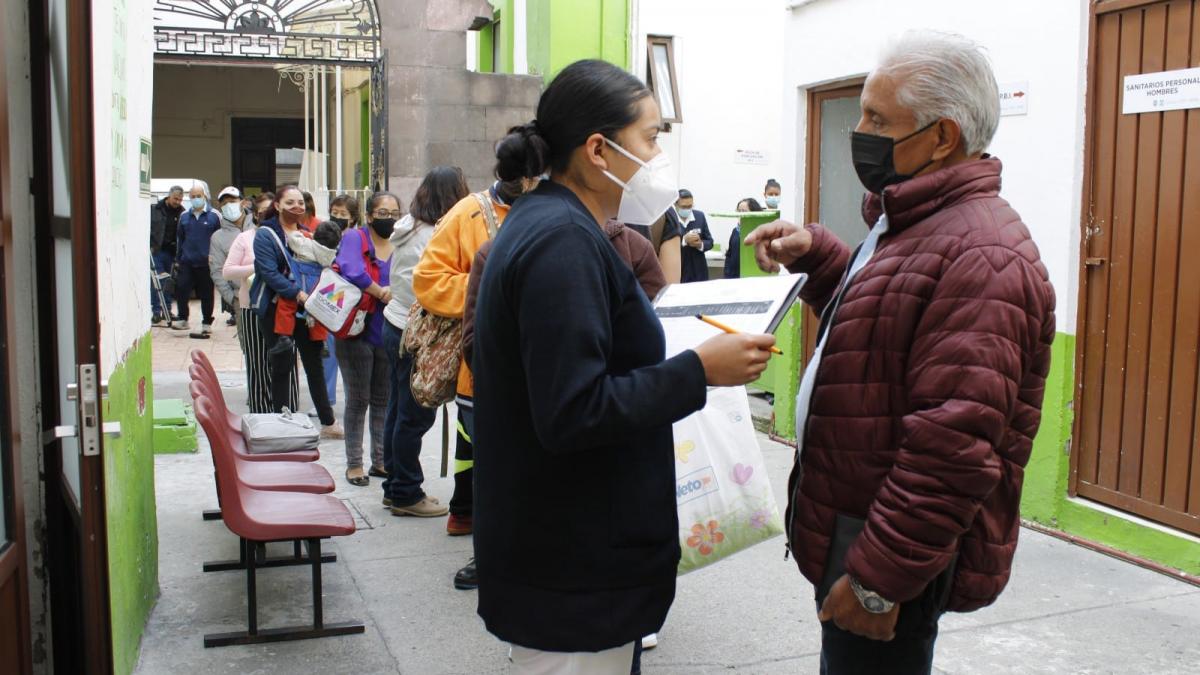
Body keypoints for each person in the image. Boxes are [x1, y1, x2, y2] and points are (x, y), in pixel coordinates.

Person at [744, 31, 1056, 674]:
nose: (859, 131)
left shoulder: (982, 256)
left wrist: (876, 583)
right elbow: (888, 324)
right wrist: (823, 256)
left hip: (886, 557)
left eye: (877, 119)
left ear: (942, 137)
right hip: (860, 530)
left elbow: (952, 449)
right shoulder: (916, 223)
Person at [470, 59, 775, 672]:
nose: (661, 154)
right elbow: (573, 412)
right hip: (571, 565)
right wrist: (698, 371)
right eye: (652, 136)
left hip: (567, 551)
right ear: (599, 151)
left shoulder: (560, 226)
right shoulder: (562, 241)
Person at [411, 165, 539, 587]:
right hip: (484, 375)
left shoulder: (558, 211)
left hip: (547, 373)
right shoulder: (468, 213)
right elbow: (428, 280)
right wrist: (495, 287)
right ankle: (489, 557)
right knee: (492, 470)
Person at [380, 167, 469, 514]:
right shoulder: (435, 234)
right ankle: (406, 492)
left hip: (395, 324)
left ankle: (394, 485)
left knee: (397, 410)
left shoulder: (408, 227)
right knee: (415, 416)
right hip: (417, 332)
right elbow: (437, 288)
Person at [250, 185, 344, 439]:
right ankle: (283, 421)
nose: (297, 207)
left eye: (300, 203)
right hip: (275, 308)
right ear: (278, 205)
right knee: (282, 363)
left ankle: (328, 422)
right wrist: (298, 294)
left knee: (314, 363)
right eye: (290, 202)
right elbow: (268, 273)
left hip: (308, 311)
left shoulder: (307, 234)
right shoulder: (266, 235)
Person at [333, 195, 396, 487]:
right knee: (358, 399)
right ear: (369, 216)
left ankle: (380, 460)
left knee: (382, 399)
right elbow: (351, 270)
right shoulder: (354, 239)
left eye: (395, 212)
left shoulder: (401, 243)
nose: (390, 218)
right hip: (354, 330)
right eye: (383, 212)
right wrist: (381, 291)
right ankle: (354, 464)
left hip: (387, 330)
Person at [223, 199, 298, 414]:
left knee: (286, 362)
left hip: (284, 308)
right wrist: (257, 266)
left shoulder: (289, 237)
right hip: (253, 308)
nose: (267, 215)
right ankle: (261, 414)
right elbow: (228, 271)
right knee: (258, 363)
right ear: (255, 215)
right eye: (262, 212)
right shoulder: (245, 239)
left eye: (271, 211)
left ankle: (287, 411)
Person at [173, 181, 221, 334]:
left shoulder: (214, 216)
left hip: (206, 262)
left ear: (204, 196)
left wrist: (216, 258)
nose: (196, 199)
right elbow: (180, 238)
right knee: (181, 289)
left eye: (198, 196)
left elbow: (219, 238)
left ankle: (207, 322)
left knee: (206, 293)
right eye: (193, 196)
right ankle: (183, 319)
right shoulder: (184, 216)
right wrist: (178, 259)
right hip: (187, 261)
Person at [210, 186, 252, 326]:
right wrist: (232, 299)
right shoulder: (218, 237)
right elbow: (217, 271)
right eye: (224, 203)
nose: (228, 205)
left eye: (232, 201)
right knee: (248, 343)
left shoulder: (258, 226)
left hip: (268, 295)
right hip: (240, 298)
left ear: (243, 202)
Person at [150, 185, 184, 326]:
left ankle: (167, 310)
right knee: (156, 282)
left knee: (169, 282)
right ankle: (156, 312)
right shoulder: (156, 210)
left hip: (172, 253)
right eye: (175, 198)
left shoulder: (182, 213)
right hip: (157, 250)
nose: (177, 202)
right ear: (169, 196)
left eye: (180, 199)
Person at [675, 188, 713, 283]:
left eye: (690, 206)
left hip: (698, 271)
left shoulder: (699, 216)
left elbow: (710, 242)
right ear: (675, 205)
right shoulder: (670, 219)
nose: (687, 209)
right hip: (678, 270)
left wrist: (700, 244)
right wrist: (684, 240)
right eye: (684, 207)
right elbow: (661, 245)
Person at [724, 197, 763, 280]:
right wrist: (727, 273)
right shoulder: (735, 231)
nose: (740, 214)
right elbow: (729, 254)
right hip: (734, 277)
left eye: (744, 211)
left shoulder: (758, 232)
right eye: (739, 211)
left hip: (752, 277)